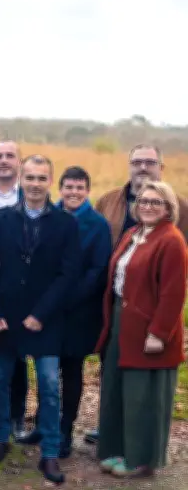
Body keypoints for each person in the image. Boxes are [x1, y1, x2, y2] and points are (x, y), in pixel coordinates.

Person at [0, 155, 81, 484]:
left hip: (46, 319)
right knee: (1, 380)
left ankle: (49, 452)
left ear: (50, 182)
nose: (35, 184)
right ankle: (0, 439)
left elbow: (68, 275)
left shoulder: (66, 223)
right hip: (6, 318)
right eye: (30, 177)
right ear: (21, 180)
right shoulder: (2, 219)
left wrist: (41, 314)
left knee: (49, 385)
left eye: (41, 178)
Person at [87, 144, 188, 445]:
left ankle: (139, 444)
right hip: (114, 301)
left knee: (143, 379)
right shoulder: (108, 202)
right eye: (137, 161)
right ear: (129, 165)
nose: (143, 167)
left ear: (161, 167)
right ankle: (112, 430)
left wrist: (161, 328)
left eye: (150, 162)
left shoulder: (181, 210)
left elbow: (176, 278)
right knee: (112, 370)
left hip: (150, 307)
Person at [16, 167, 111, 458]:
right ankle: (42, 425)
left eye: (79, 187)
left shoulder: (98, 225)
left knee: (70, 371)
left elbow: (97, 270)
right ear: (60, 188)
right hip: (47, 308)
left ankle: (65, 431)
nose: (73, 192)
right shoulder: (49, 216)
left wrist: (66, 298)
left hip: (78, 311)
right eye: (69, 187)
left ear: (88, 191)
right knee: (45, 370)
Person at [0, 141, 29, 441]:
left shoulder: (30, 195)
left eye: (10, 156)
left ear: (19, 162)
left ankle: (16, 416)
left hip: (16, 290)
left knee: (18, 360)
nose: (4, 161)